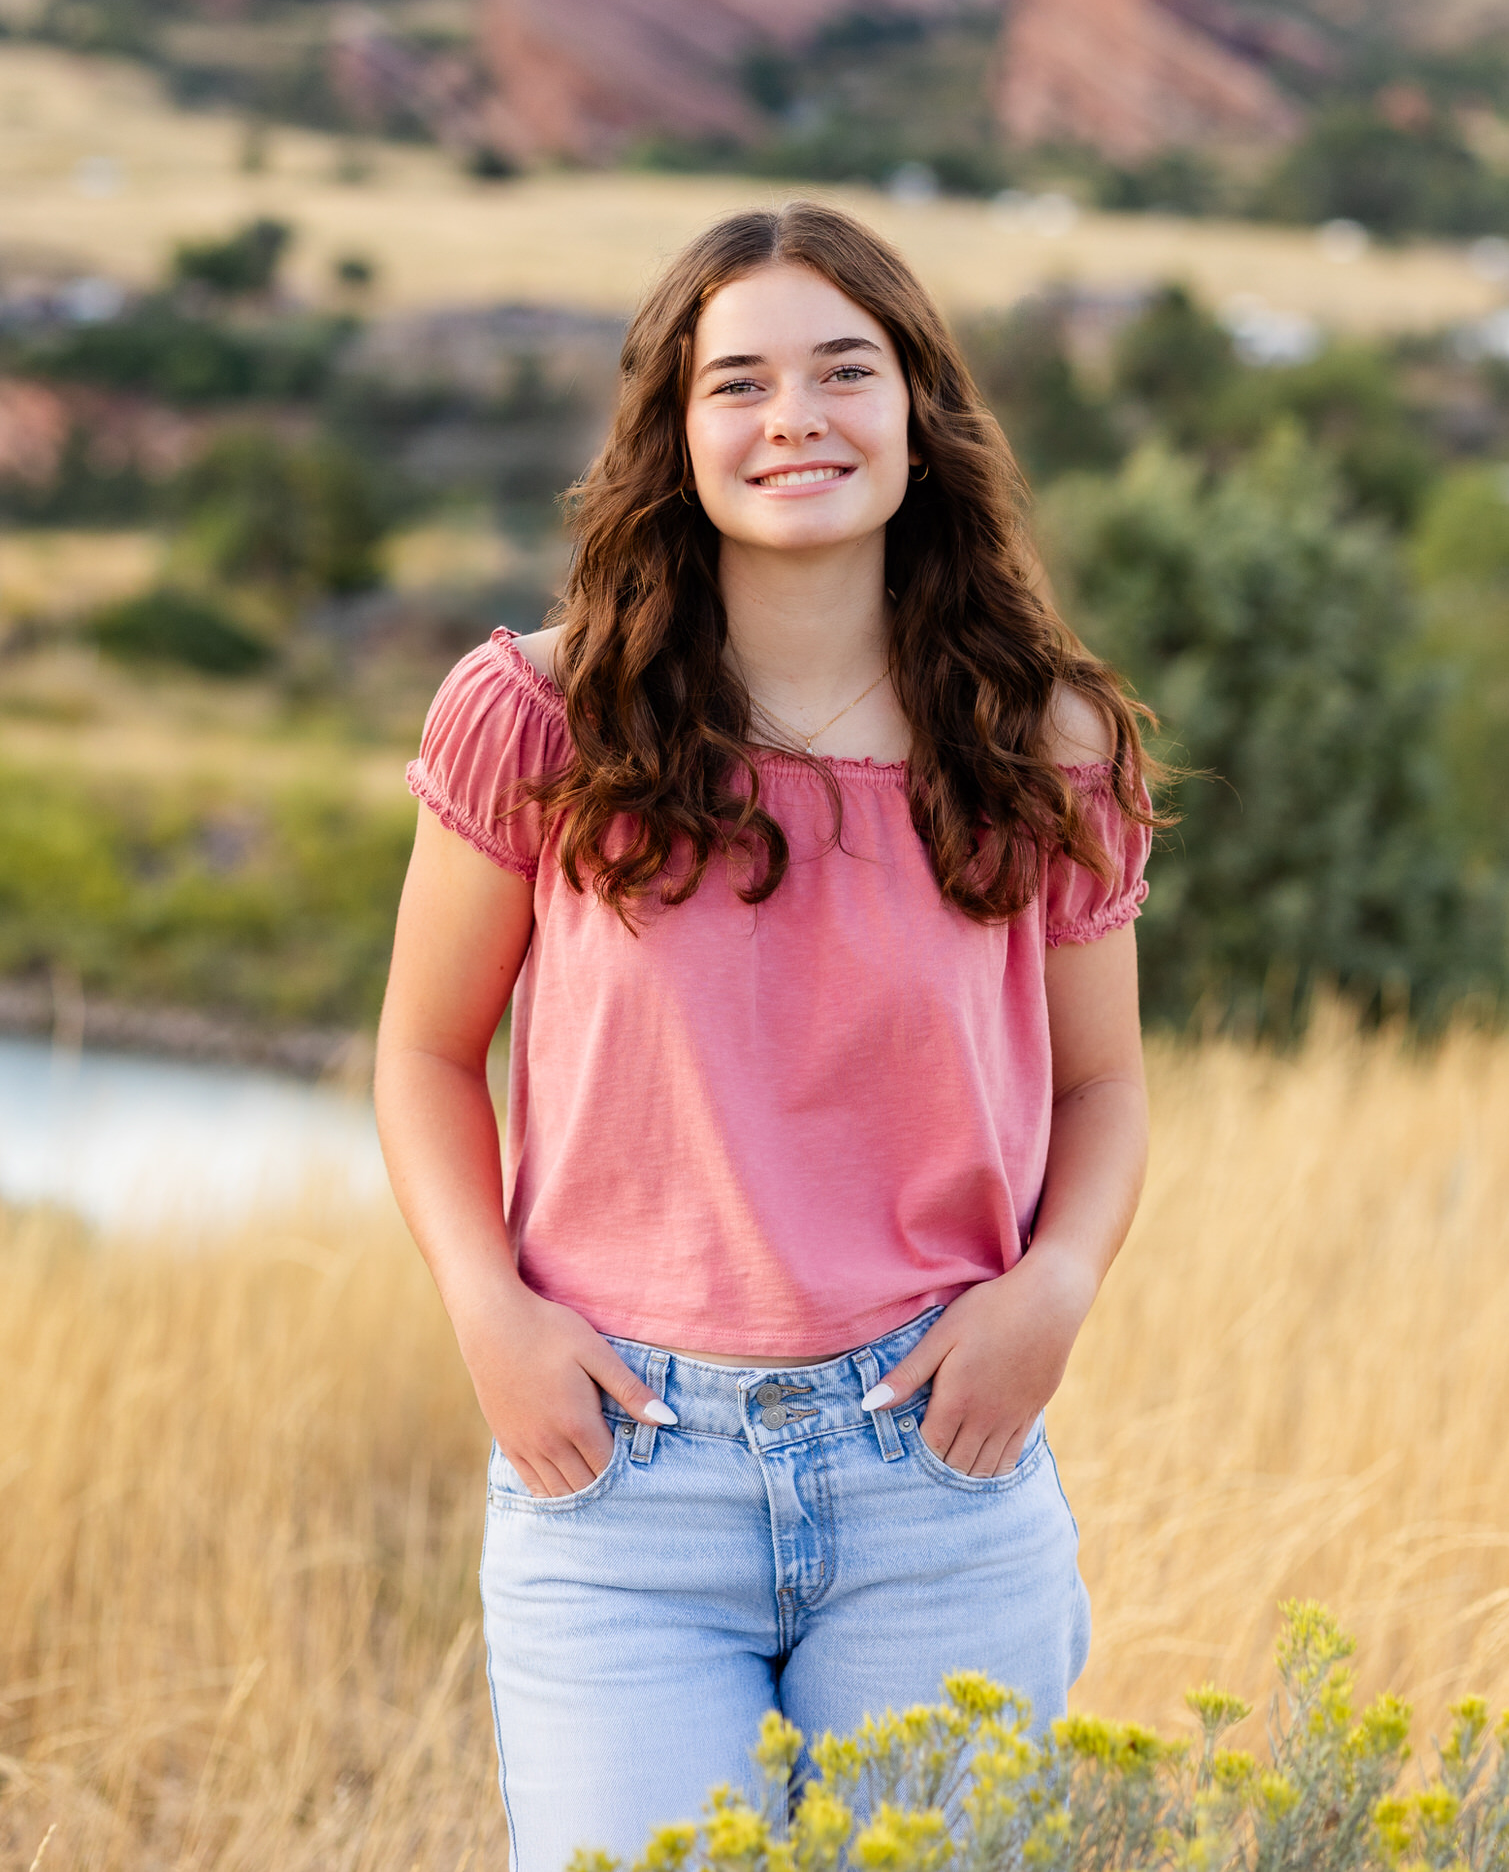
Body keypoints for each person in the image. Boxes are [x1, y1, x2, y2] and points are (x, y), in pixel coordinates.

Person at [376, 203, 1157, 1867]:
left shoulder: (1047, 738)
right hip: (624, 1476)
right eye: (738, 381)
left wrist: (1060, 1287)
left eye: (842, 369)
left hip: (938, 1466)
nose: (793, 414)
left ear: (920, 414)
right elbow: (426, 1056)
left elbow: (1101, 1084)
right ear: (674, 434)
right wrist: (487, 1317)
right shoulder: (543, 715)